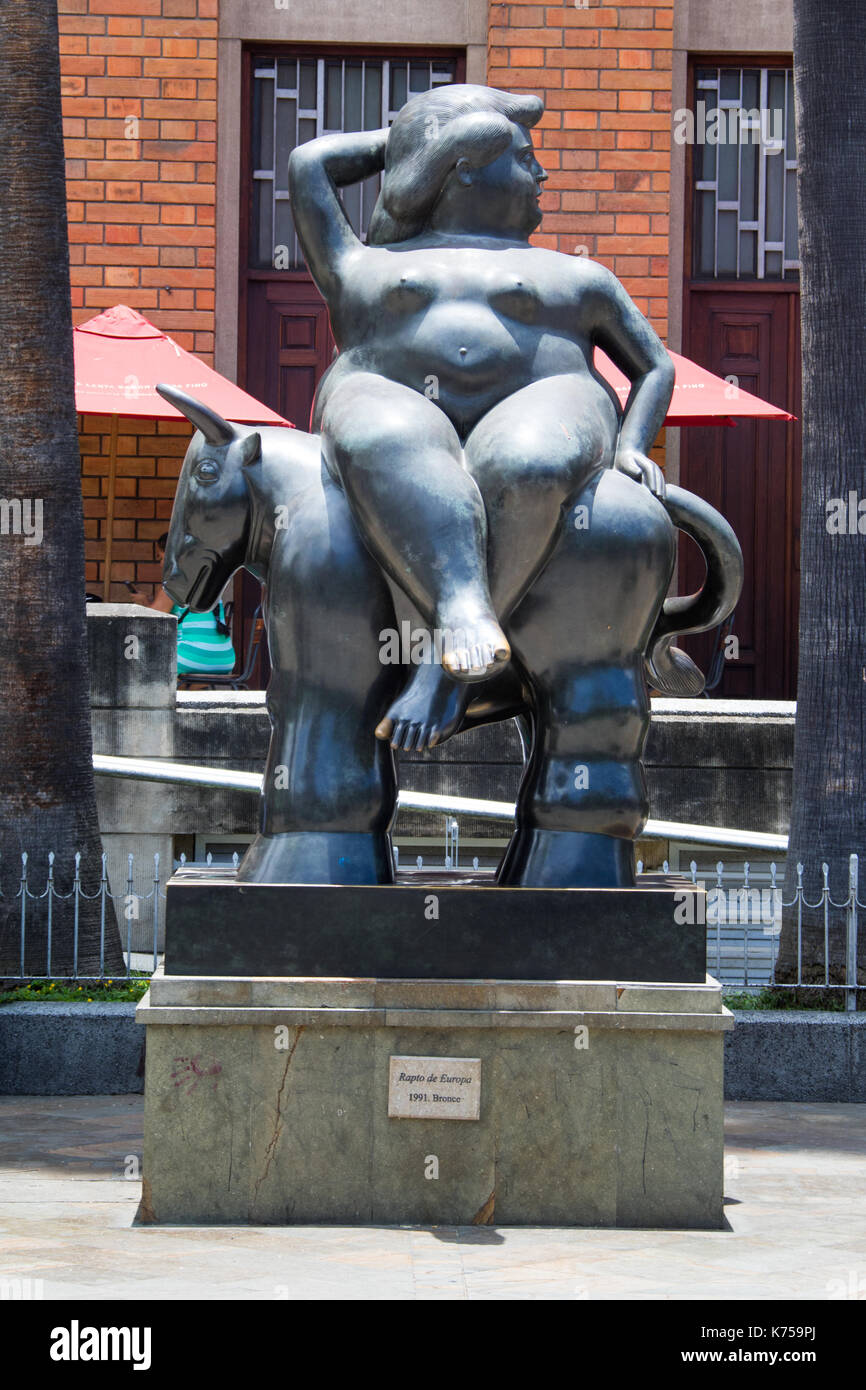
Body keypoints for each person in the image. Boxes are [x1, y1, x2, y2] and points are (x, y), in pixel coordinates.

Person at [288, 84, 674, 750]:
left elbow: (654, 365)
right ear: (466, 163)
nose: (542, 174)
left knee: (528, 460)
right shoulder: (362, 262)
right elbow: (308, 166)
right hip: (390, 399)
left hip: (546, 400)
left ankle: (445, 668)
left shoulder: (574, 274)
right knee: (379, 435)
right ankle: (464, 615)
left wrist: (633, 443)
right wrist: (417, 143)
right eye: (523, 157)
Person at [128, 534, 236, 678]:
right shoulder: (209, 578)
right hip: (224, 659)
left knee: (133, 657)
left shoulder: (176, 581)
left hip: (191, 657)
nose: (161, 564)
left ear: (175, 555)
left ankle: (144, 700)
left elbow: (154, 620)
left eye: (161, 558)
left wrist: (142, 605)